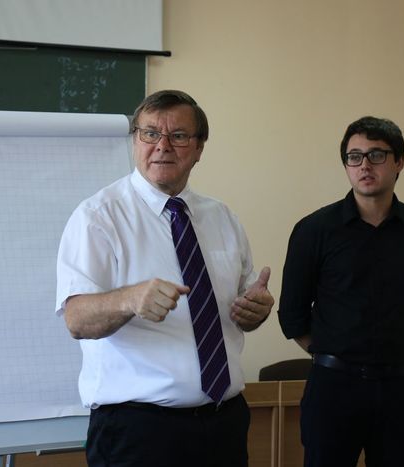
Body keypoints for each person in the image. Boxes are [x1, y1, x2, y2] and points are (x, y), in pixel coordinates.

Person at [55, 89, 274, 467]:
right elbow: (76, 319)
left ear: (199, 148)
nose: (163, 145)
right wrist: (129, 299)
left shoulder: (222, 217)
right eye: (150, 133)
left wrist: (256, 310)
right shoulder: (98, 217)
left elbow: (240, 307)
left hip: (224, 423)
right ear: (135, 141)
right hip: (139, 431)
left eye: (179, 135)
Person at [277, 116, 404, 467]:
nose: (364, 165)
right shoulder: (313, 230)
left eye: (376, 155)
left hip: (400, 390)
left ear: (399, 162)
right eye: (354, 157)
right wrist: (337, 352)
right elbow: (292, 315)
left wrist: (392, 351)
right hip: (333, 389)